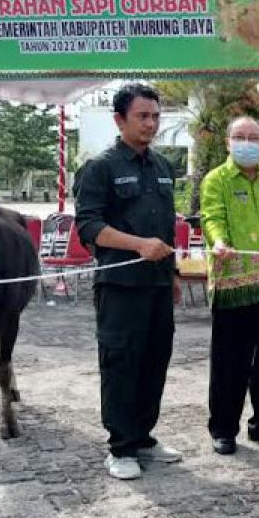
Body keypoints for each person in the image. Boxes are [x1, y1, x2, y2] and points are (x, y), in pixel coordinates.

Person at [75, 83, 182, 480]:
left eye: (155, 116)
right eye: (143, 116)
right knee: (121, 363)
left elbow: (166, 228)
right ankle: (120, 447)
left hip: (156, 284)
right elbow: (88, 226)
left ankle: (143, 437)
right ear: (119, 119)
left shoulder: (163, 168)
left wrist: (171, 275)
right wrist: (138, 245)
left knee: (155, 361)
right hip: (120, 288)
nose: (151, 123)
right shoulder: (100, 168)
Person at [199, 116, 259, 456]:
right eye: (240, 137)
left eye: (254, 137)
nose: (248, 143)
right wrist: (220, 241)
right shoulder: (216, 180)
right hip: (233, 284)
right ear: (227, 143)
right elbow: (212, 216)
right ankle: (224, 428)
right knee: (230, 362)